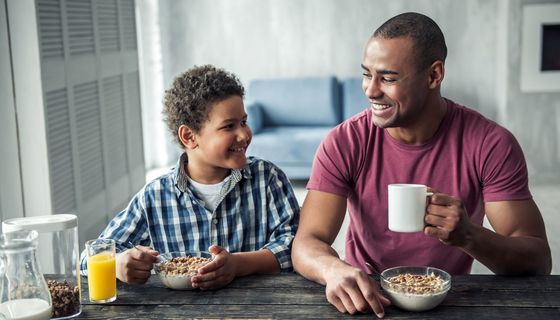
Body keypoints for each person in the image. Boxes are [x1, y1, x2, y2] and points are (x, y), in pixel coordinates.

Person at [291, 12, 552, 318]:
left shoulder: (490, 144)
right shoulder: (345, 141)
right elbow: (306, 243)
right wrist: (333, 270)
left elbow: (537, 258)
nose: (371, 90)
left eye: (387, 78)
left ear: (433, 76)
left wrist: (469, 235)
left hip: (449, 302)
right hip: (366, 300)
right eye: (367, 74)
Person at [80, 65, 300, 289]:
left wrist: (238, 264)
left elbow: (295, 247)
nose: (244, 134)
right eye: (229, 126)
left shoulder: (268, 179)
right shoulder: (154, 197)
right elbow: (89, 259)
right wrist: (118, 263)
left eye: (243, 122)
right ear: (189, 136)